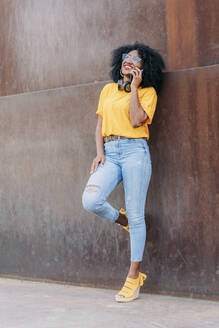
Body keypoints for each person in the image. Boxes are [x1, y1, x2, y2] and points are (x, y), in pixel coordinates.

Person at [82, 41, 165, 302]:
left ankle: (133, 277)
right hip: (111, 152)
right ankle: (123, 221)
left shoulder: (147, 92)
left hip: (135, 153)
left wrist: (134, 89)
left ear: (144, 68)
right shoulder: (107, 90)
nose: (129, 60)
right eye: (127, 56)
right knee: (91, 200)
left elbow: (134, 120)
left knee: (138, 214)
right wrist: (100, 153)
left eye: (136, 59)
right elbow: (100, 125)